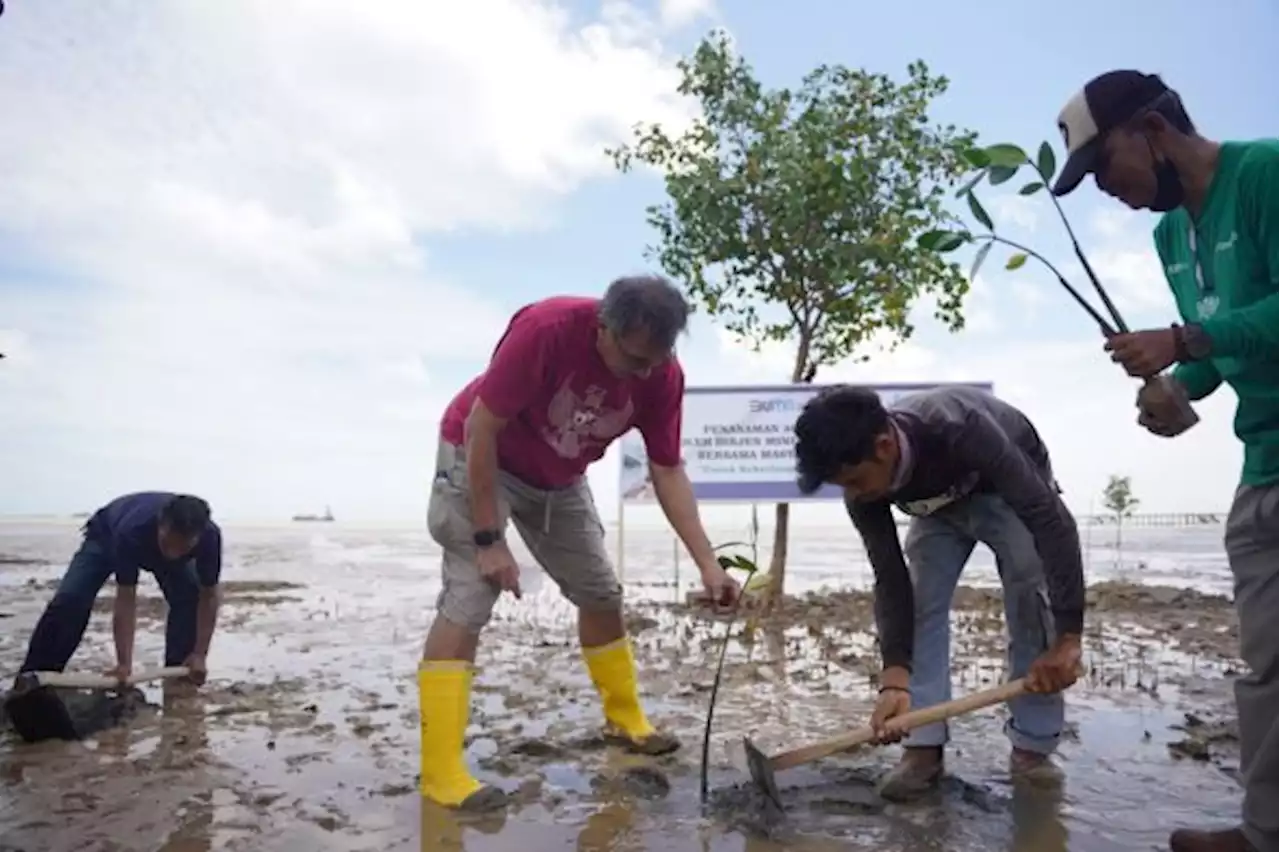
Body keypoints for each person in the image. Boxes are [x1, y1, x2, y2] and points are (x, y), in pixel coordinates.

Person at [1051, 69, 1280, 852]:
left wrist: (1181, 342)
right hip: (1264, 462)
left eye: (1104, 167)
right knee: (1266, 672)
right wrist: (1177, 387)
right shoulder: (1167, 234)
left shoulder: (1266, 174)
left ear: (1151, 129)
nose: (1105, 190)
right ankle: (1265, 830)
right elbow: (1220, 342)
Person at [419, 275, 742, 812]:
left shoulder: (661, 375)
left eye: (654, 361)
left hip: (559, 475)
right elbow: (482, 428)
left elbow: (666, 469)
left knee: (600, 592)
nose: (642, 373)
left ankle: (625, 719)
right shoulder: (547, 330)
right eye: (633, 359)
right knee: (472, 595)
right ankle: (440, 771)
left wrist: (708, 564)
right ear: (602, 329)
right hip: (480, 455)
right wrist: (488, 539)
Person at [792, 384, 1084, 801]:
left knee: (1028, 592)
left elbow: (1052, 522)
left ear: (884, 445)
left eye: (856, 481)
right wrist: (893, 677)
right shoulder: (864, 487)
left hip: (1006, 493)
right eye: (844, 486)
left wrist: (1069, 636)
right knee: (921, 598)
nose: (854, 494)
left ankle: (1032, 750)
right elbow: (889, 577)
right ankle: (922, 747)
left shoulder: (959, 428)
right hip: (936, 510)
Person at [17, 492, 222, 687]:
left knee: (190, 599)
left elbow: (209, 596)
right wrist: (124, 663)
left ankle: (180, 677)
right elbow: (126, 598)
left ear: (198, 536)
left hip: (150, 542)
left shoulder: (210, 538)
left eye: (183, 547)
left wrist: (199, 654)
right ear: (161, 525)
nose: (173, 554)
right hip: (105, 536)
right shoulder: (133, 531)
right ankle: (34, 676)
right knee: (72, 600)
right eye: (168, 543)